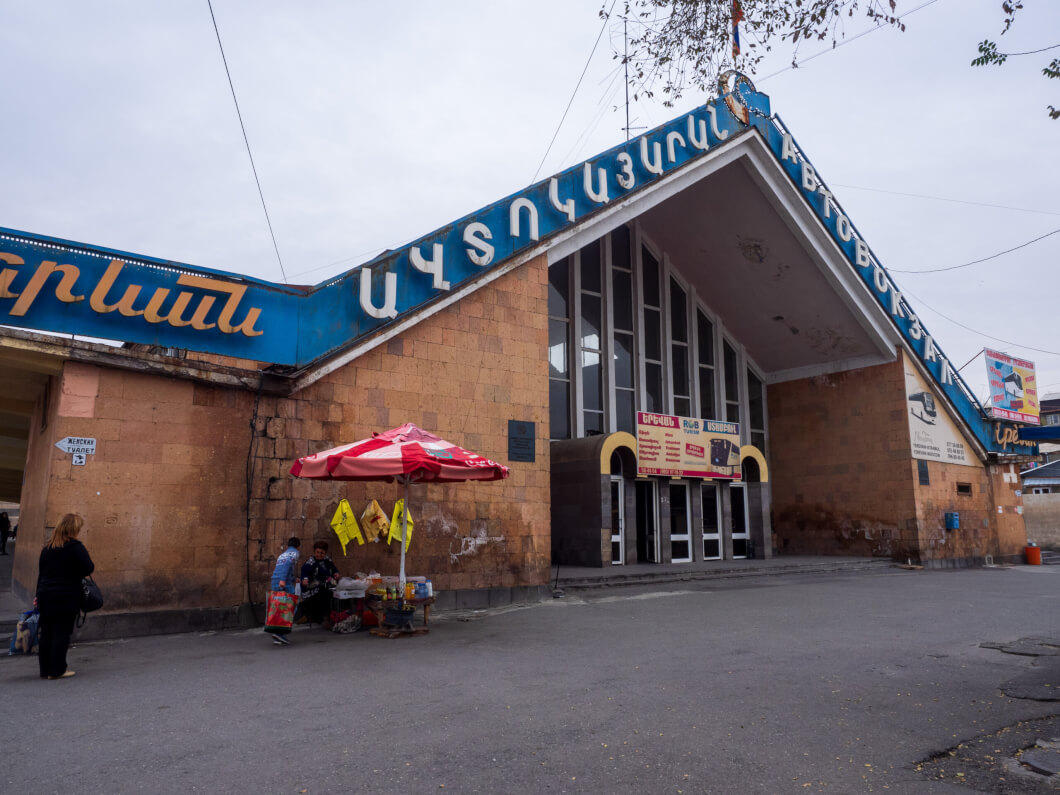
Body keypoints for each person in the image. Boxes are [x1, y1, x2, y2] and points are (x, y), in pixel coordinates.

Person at [36, 513, 94, 680]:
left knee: (47, 632)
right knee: (62, 632)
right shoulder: (75, 547)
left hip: (46, 595)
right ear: (74, 529)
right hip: (66, 595)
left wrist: (38, 595)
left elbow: (42, 575)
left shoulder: (47, 549)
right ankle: (57, 670)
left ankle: (45, 670)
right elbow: (88, 568)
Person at [296, 541, 341, 627]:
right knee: (324, 594)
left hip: (325, 585)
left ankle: (332, 616)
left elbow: (334, 569)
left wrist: (336, 573)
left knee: (332, 592)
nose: (319, 555)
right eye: (317, 552)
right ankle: (323, 618)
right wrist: (305, 579)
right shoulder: (310, 562)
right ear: (314, 552)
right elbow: (305, 573)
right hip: (311, 588)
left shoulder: (327, 560)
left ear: (325, 553)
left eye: (321, 553)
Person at [267, 537, 300, 645]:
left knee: (278, 607)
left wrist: (294, 579)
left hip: (275, 581)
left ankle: (278, 634)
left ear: (287, 546)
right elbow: (287, 565)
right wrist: (283, 580)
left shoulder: (282, 555)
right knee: (291, 607)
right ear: (298, 546)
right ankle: (280, 633)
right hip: (284, 582)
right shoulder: (294, 553)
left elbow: (284, 568)